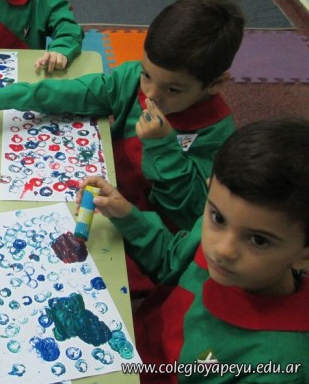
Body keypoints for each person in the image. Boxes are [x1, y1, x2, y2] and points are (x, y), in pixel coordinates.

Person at [0, 0, 244, 232]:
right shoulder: (132, 80)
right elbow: (75, 93)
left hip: (145, 228)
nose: (150, 94)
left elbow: (190, 212)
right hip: (97, 185)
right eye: (147, 74)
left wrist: (162, 146)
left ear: (216, 84)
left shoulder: (217, 134)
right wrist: (0, 96)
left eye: (173, 89)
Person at [77, 117, 309, 383]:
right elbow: (170, 262)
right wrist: (126, 214)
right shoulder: (221, 233)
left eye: (258, 240)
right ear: (210, 188)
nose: (222, 250)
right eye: (217, 217)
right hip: (132, 343)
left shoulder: (279, 366)